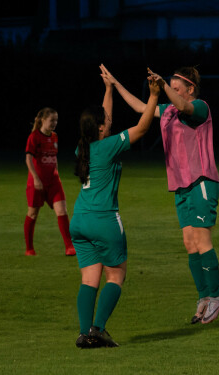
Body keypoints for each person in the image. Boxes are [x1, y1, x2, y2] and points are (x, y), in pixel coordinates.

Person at [100, 65, 219, 325]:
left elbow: (185, 106)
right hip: (181, 186)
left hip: (201, 180)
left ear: (190, 88)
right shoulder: (168, 111)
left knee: (202, 239)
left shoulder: (200, 107)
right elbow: (139, 107)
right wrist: (114, 83)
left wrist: (164, 87)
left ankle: (216, 296)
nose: (171, 88)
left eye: (176, 85)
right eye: (170, 84)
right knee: (190, 243)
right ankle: (203, 296)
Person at [71, 64, 161, 348]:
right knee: (117, 273)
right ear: (100, 127)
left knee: (89, 278)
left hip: (80, 220)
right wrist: (155, 96)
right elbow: (143, 127)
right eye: (105, 120)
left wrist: (108, 89)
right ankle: (98, 329)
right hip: (104, 219)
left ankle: (86, 334)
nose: (109, 120)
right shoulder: (108, 147)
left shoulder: (83, 147)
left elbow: (103, 118)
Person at [24, 107, 76, 257]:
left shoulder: (54, 137)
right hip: (37, 182)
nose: (55, 123)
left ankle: (69, 247)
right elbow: (28, 158)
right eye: (52, 120)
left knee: (62, 211)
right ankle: (29, 248)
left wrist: (57, 173)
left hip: (53, 181)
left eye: (56, 120)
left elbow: (54, 157)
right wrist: (35, 178)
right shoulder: (34, 137)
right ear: (42, 120)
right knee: (33, 214)